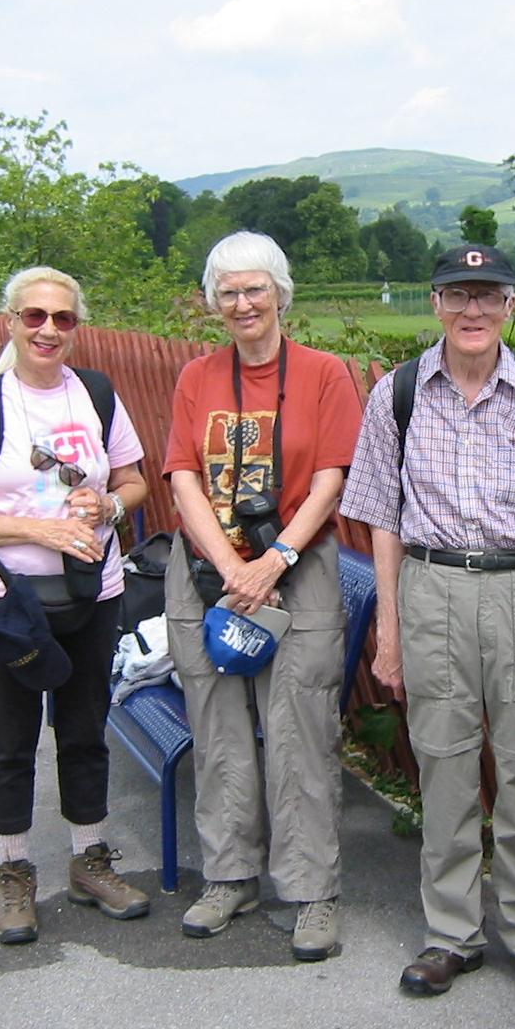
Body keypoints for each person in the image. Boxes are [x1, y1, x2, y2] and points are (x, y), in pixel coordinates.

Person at [340, 244, 515, 1013]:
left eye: (489, 295)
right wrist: (389, 628)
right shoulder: (395, 395)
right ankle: (451, 931)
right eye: (458, 296)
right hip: (431, 590)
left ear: (512, 304)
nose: (473, 311)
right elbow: (382, 520)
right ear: (435, 304)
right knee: (444, 763)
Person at [0, 266, 151, 945]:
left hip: (93, 590)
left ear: (75, 327)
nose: (48, 330)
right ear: (11, 322)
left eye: (62, 318)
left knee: (85, 728)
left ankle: (89, 857)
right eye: (34, 317)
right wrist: (39, 528)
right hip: (8, 600)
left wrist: (109, 504)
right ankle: (14, 869)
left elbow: (134, 481)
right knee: (12, 736)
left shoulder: (97, 394)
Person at [162, 230, 363, 962]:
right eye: (228, 291)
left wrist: (273, 558)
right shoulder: (195, 377)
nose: (242, 303)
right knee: (215, 729)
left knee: (299, 730)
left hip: (296, 568)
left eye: (254, 289)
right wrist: (228, 565)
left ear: (280, 292)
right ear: (213, 301)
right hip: (208, 569)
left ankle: (311, 892)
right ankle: (228, 874)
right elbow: (183, 474)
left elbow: (331, 477)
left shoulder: (322, 373)